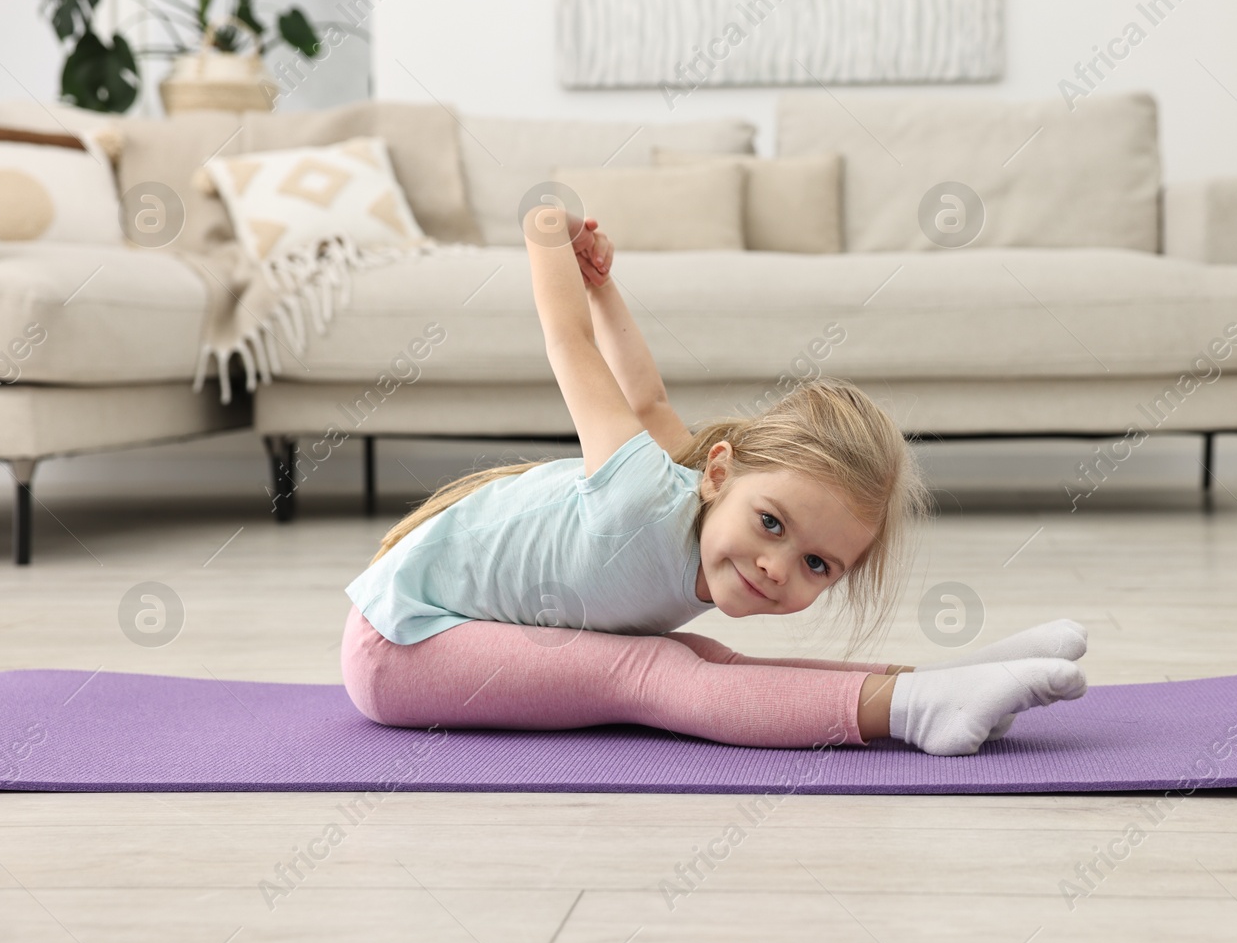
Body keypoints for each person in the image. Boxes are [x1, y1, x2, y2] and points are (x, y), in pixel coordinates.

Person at [339, 204, 1088, 756]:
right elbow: (566, 342)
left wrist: (606, 288)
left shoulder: (689, 476)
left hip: (452, 634)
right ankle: (914, 708)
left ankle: (936, 680)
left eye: (817, 565)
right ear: (719, 473)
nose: (776, 567)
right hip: (402, 645)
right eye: (772, 523)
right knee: (654, 670)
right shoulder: (640, 491)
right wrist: (547, 237)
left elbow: (649, 401)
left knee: (711, 663)